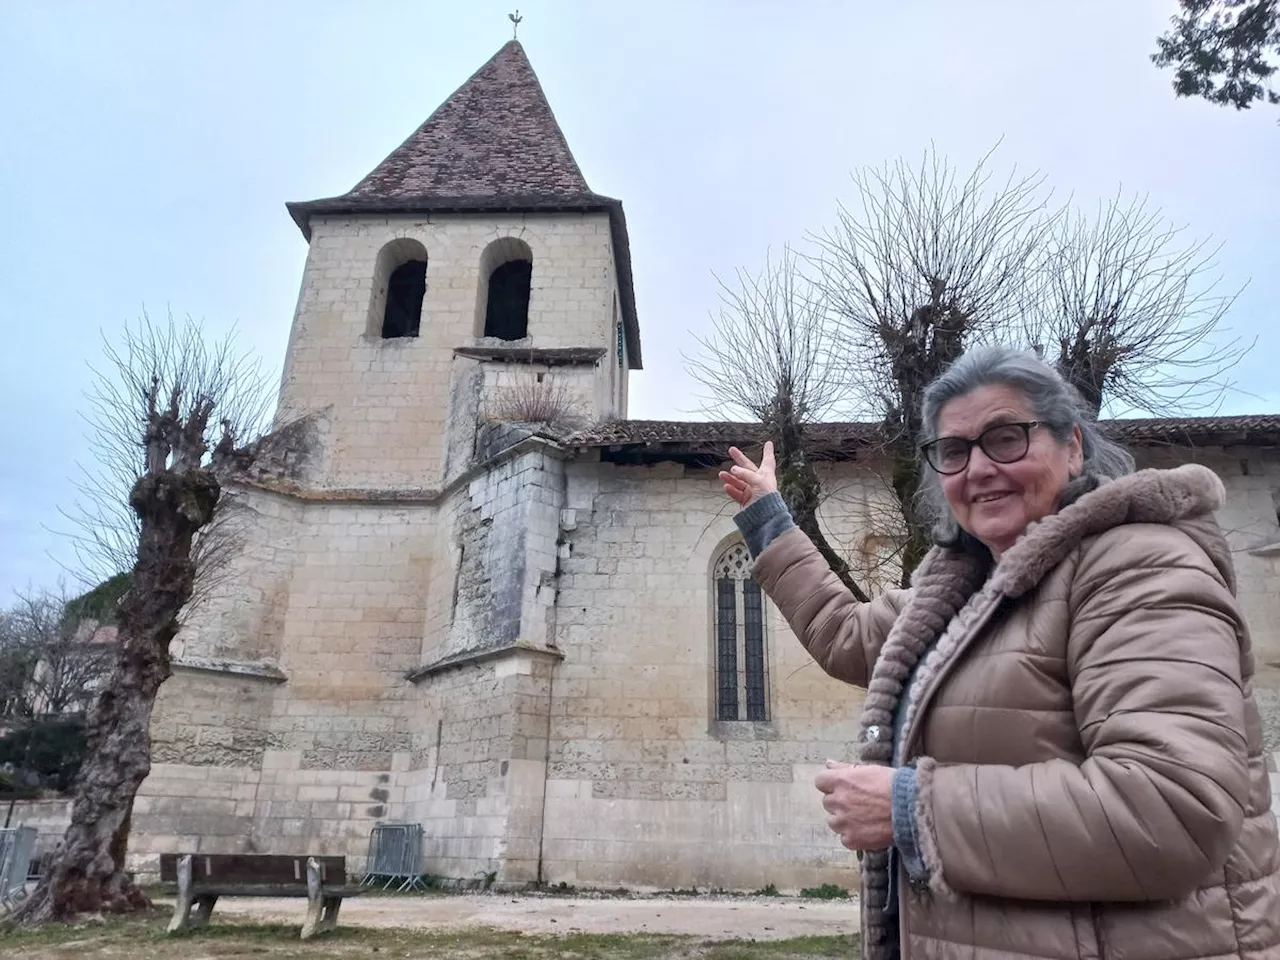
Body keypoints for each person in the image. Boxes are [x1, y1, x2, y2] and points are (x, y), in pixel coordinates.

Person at [719, 345, 1280, 960]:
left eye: (1007, 437)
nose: (979, 467)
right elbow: (844, 633)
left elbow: (1173, 807)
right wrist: (769, 520)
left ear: (1072, 447)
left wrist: (911, 809)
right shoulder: (960, 587)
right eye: (954, 451)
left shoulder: (1139, 567)